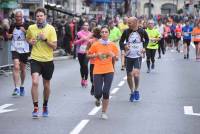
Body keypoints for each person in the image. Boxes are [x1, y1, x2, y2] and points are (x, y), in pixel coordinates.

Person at [26, 7, 57, 118]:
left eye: (41, 15)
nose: (39, 17)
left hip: (48, 60)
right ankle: (35, 107)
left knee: (46, 85)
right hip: (35, 58)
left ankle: (45, 105)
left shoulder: (51, 29)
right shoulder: (31, 28)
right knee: (35, 82)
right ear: (36, 17)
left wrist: (45, 39)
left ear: (45, 16)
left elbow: (54, 46)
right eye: (37, 16)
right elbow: (28, 38)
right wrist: (31, 41)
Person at [87, 26, 119, 119]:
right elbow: (88, 55)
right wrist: (96, 55)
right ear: (100, 34)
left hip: (109, 70)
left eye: (106, 32)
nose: (104, 33)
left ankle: (104, 112)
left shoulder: (112, 45)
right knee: (98, 93)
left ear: (109, 34)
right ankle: (97, 98)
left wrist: (113, 56)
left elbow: (117, 57)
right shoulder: (96, 44)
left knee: (106, 92)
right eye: (102, 32)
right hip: (97, 70)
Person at [119, 16, 149, 102]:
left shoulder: (142, 31)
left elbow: (147, 40)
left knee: (136, 74)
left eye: (130, 23)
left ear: (135, 22)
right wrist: (124, 46)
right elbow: (121, 41)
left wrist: (144, 48)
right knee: (129, 75)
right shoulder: (126, 31)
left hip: (137, 56)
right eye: (128, 22)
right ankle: (132, 92)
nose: (128, 24)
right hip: (128, 56)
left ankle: (136, 90)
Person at [7, 9, 30, 96]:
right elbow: (8, 36)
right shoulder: (12, 25)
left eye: (19, 16)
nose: (18, 18)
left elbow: (31, 35)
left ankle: (22, 86)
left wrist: (25, 31)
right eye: (16, 16)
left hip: (24, 50)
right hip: (15, 48)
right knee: (16, 66)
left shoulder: (27, 24)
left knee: (23, 69)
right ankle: (16, 88)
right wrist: (10, 35)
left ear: (22, 17)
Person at [74, 22, 92, 87]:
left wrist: (90, 41)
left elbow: (93, 42)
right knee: (82, 66)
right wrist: (82, 39)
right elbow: (75, 42)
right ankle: (82, 78)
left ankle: (86, 80)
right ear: (83, 26)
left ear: (88, 26)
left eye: (87, 25)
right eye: (84, 25)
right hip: (80, 52)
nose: (86, 26)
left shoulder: (90, 34)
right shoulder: (79, 33)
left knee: (85, 65)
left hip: (87, 52)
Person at [86, 27, 101, 95]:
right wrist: (90, 54)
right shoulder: (91, 41)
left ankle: (96, 88)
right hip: (93, 62)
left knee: (98, 77)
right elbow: (87, 50)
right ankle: (94, 86)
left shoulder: (102, 41)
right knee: (92, 78)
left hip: (100, 62)